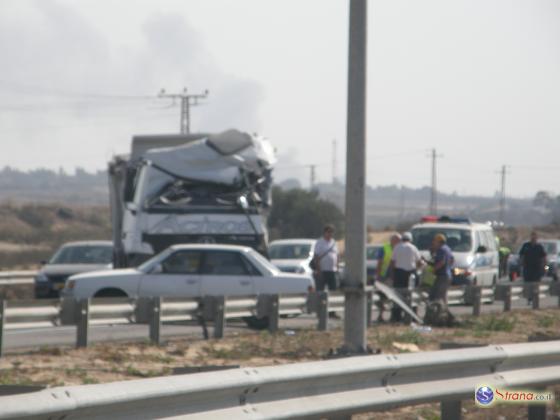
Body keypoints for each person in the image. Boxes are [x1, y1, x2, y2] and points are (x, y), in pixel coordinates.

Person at [389, 232, 423, 322]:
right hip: (411, 274)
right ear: (410, 239)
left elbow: (392, 262)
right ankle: (412, 316)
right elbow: (419, 262)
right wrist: (417, 269)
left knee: (398, 295)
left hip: (399, 274)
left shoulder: (397, 247)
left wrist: (392, 275)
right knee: (411, 295)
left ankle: (396, 317)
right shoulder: (413, 248)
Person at [374, 233, 401, 322]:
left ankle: (391, 316)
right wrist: (378, 275)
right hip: (383, 276)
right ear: (393, 240)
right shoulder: (385, 248)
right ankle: (380, 316)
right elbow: (380, 262)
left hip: (393, 277)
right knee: (382, 297)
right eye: (398, 240)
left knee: (391, 297)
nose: (400, 242)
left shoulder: (399, 249)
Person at [519, 232, 547, 304]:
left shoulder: (539, 247)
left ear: (537, 238)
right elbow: (521, 255)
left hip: (537, 269)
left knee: (536, 283)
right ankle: (529, 298)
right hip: (527, 268)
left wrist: (545, 268)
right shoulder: (526, 246)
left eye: (535, 237)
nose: (533, 238)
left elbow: (544, 258)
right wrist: (521, 265)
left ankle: (535, 299)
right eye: (532, 237)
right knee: (528, 283)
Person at [312, 224, 339, 292]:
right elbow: (316, 256)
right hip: (322, 271)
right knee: (320, 291)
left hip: (332, 271)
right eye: (329, 232)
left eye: (332, 232)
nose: (330, 234)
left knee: (333, 290)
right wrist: (319, 271)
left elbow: (337, 256)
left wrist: (337, 268)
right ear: (325, 232)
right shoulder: (320, 242)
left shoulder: (334, 242)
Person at [429, 233, 454, 304]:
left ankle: (437, 313)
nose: (433, 242)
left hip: (442, 276)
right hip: (448, 275)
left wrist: (433, 270)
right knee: (443, 296)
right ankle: (445, 311)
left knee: (437, 296)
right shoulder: (448, 248)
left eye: (435, 241)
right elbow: (452, 260)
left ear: (439, 241)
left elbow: (441, 262)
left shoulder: (441, 249)